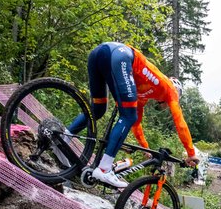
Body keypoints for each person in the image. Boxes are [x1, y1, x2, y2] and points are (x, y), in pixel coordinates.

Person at [69, 42, 198, 188]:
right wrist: (191, 152)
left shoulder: (145, 94)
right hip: (121, 56)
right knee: (128, 116)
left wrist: (145, 147)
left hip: (99, 53)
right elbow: (180, 123)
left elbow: (136, 123)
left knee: (98, 109)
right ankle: (104, 169)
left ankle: (64, 137)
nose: (167, 106)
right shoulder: (170, 90)